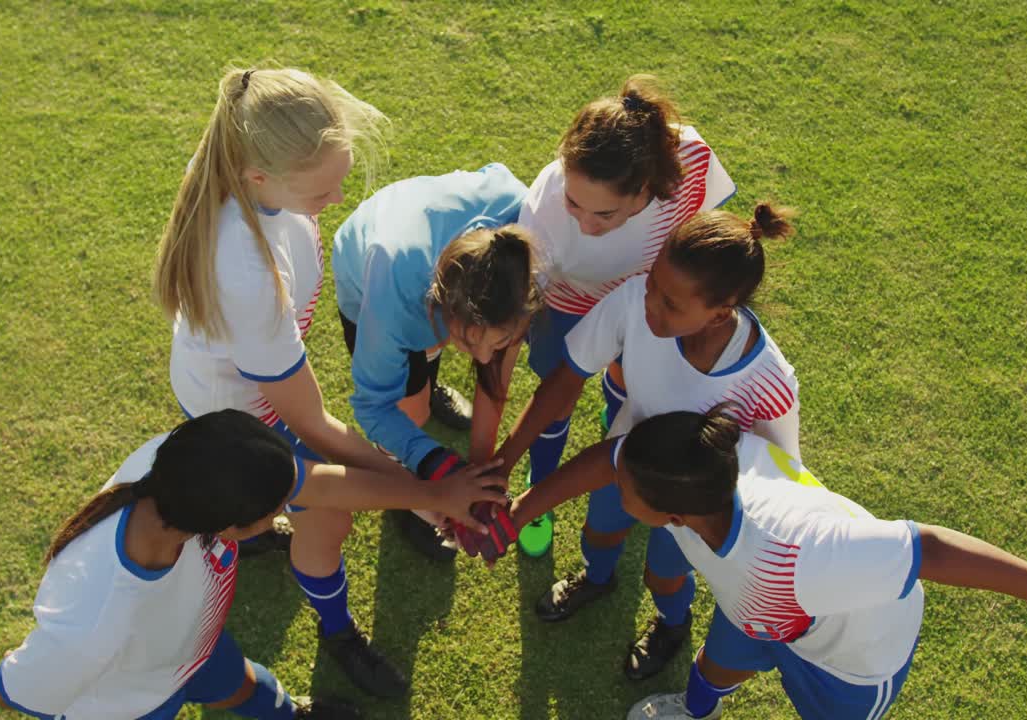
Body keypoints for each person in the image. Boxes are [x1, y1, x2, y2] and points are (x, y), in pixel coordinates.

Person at [505, 408, 1027, 720]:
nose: (614, 484)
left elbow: (929, 549)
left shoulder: (799, 550)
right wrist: (521, 509)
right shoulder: (694, 467)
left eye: (624, 487)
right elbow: (609, 460)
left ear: (669, 514)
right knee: (709, 673)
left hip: (849, 658)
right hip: (759, 612)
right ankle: (695, 711)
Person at [153, 66, 448, 697]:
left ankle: (257, 532)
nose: (336, 202)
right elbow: (311, 424)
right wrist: (419, 486)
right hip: (243, 417)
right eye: (321, 194)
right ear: (259, 177)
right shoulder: (248, 271)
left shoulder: (234, 159)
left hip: (225, 386)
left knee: (300, 515)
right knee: (326, 522)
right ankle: (337, 631)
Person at [0, 410, 507, 719]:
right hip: (135, 702)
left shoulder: (181, 469)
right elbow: (8, 689)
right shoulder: (94, 621)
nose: (288, 510)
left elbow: (319, 482)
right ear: (228, 530)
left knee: (247, 685)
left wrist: (431, 493)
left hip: (196, 645)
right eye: (277, 510)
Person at [493, 203, 797, 679]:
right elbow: (566, 379)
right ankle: (597, 578)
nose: (650, 303)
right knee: (599, 531)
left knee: (665, 574)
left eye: (671, 304)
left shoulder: (770, 384)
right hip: (623, 460)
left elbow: (779, 483)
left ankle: (672, 624)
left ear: (721, 313)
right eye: (654, 282)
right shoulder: (636, 299)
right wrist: (505, 460)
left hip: (695, 501)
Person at [499, 74, 737, 558]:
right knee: (556, 398)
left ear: (646, 187)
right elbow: (521, 313)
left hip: (646, 299)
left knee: (631, 385)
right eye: (574, 201)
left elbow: (706, 225)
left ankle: (627, 460)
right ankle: (539, 486)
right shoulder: (544, 213)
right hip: (566, 303)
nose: (584, 223)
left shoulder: (687, 157)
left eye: (604, 215)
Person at [331, 163, 537, 560]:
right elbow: (373, 406)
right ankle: (410, 496)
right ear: (442, 309)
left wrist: (480, 479)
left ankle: (428, 380)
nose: (482, 359)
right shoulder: (394, 302)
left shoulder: (520, 251)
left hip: (428, 276)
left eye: (501, 341)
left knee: (429, 375)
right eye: (468, 340)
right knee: (408, 409)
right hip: (368, 273)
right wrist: (438, 474)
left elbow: (493, 374)